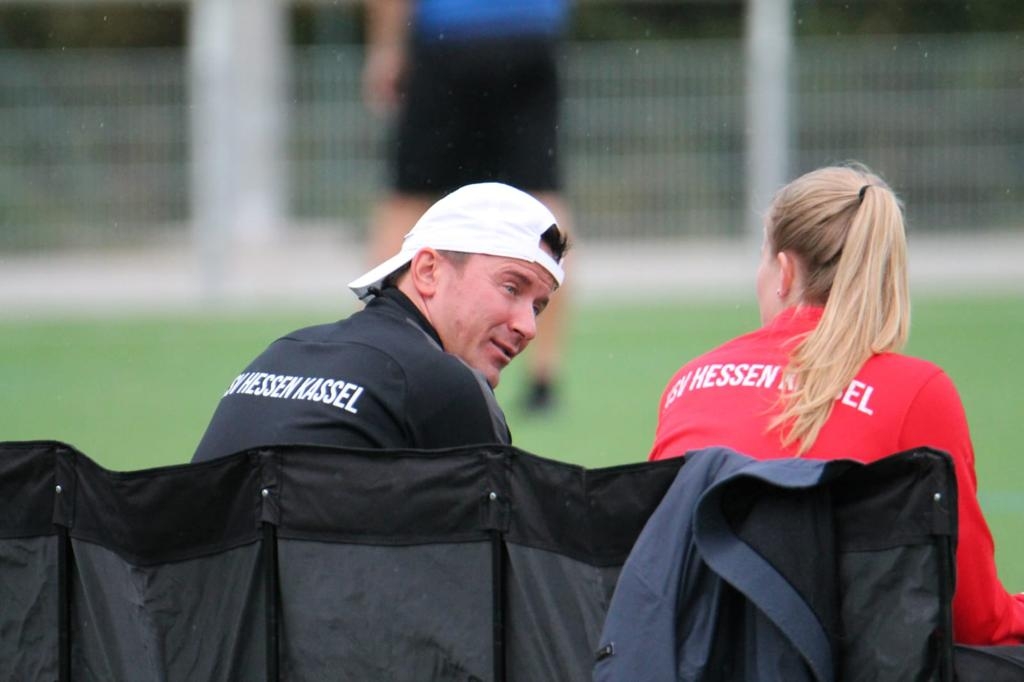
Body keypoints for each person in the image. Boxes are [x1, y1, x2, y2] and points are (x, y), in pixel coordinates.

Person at [647, 162, 1024, 646]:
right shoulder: (919, 393)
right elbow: (974, 620)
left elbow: (657, 572)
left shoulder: (687, 384)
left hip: (696, 661)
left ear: (784, 272)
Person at [192, 182, 568, 463]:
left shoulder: (279, 355)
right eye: (510, 288)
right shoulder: (448, 387)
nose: (528, 328)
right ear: (428, 271)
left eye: (537, 308)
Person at [361, 0, 573, 413]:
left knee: (408, 200)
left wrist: (386, 48)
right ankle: (544, 375)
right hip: (530, 34)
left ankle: (374, 356)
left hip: (448, 38)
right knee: (543, 198)